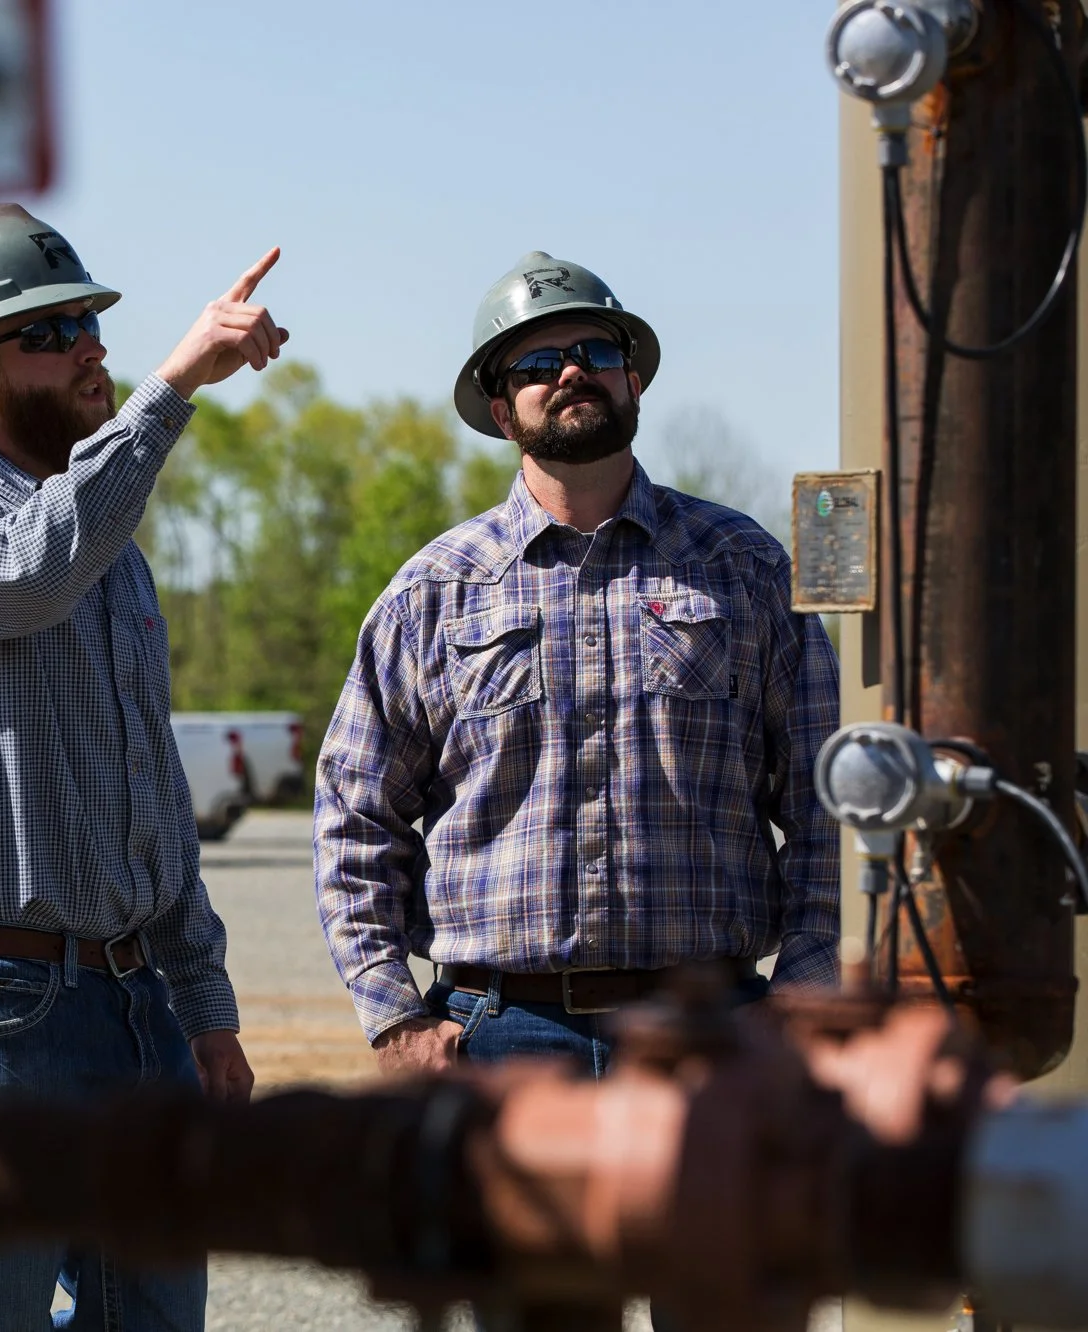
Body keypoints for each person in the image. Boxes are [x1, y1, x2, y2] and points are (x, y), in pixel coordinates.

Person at [0, 203, 285, 1332]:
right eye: (50, 333)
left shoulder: (118, 559)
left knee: (146, 1323)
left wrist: (202, 1005)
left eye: (90, 324)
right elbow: (29, 572)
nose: (90, 346)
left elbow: (152, 796)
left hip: (134, 997)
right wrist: (175, 385)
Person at [314, 250, 839, 1078]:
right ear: (500, 408)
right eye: (536, 363)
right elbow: (354, 817)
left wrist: (800, 1006)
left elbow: (827, 807)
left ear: (634, 380)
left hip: (712, 1037)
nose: (570, 373)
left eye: (594, 353)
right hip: (496, 1036)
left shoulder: (743, 566)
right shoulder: (433, 593)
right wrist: (395, 1018)